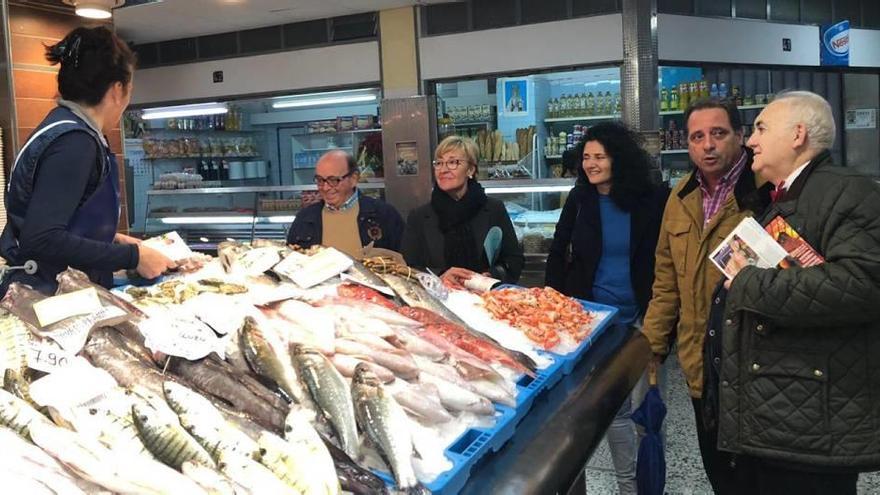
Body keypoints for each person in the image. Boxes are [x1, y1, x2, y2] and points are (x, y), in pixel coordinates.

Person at [706, 90, 880, 494]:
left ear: (798, 134)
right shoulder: (785, 197)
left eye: (762, 128)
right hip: (781, 416)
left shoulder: (846, 192)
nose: (751, 141)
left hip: (810, 423)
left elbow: (865, 284)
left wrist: (748, 283)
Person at [640, 98, 771, 492]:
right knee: (720, 477)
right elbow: (665, 282)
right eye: (697, 137)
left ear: (740, 136)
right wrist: (651, 350)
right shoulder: (680, 196)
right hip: (701, 371)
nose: (708, 145)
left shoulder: (763, 193)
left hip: (755, 371)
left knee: (757, 480)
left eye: (718, 133)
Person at [0, 26, 175, 297]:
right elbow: (41, 238)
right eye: (130, 88)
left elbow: (64, 219)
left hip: (64, 290)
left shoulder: (69, 130)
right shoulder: (74, 142)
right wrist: (132, 257)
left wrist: (115, 240)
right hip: (50, 297)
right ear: (117, 90)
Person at [545, 122, 668, 494]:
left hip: (645, 321)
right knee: (612, 411)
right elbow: (557, 252)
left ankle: (649, 486)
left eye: (600, 156)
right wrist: (554, 306)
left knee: (648, 412)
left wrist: (662, 317)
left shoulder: (652, 200)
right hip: (595, 325)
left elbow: (666, 260)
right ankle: (627, 486)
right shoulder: (580, 200)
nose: (591, 164)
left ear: (619, 158)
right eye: (586, 157)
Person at [401, 135, 523, 287]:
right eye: (439, 163)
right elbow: (407, 268)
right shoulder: (419, 216)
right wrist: (441, 276)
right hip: (439, 300)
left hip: (485, 300)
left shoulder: (493, 209)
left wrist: (489, 275)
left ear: (471, 169)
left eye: (453, 162)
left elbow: (514, 260)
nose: (443, 169)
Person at [287, 150, 404, 257]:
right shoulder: (304, 218)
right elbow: (290, 262)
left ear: (353, 178)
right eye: (320, 180)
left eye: (333, 180)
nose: (326, 187)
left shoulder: (383, 214)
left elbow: (406, 263)